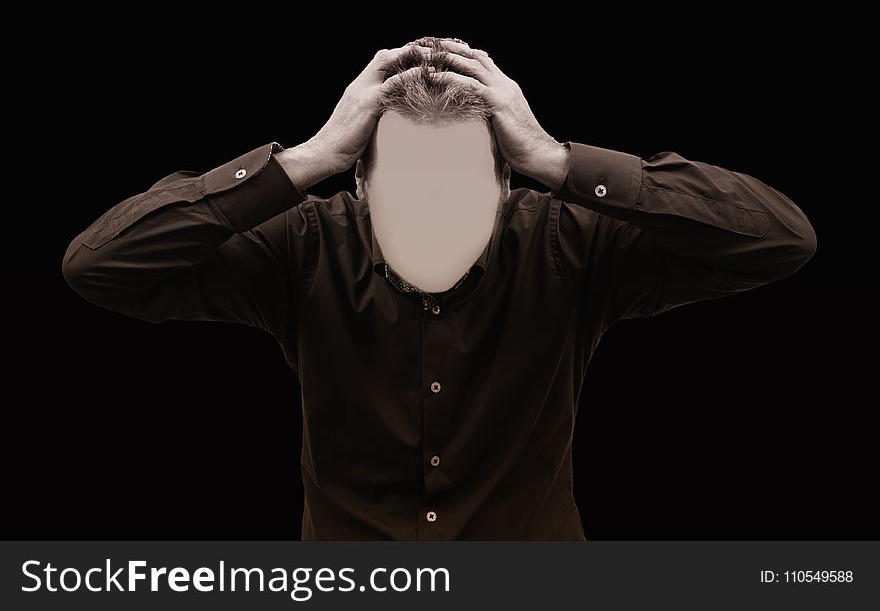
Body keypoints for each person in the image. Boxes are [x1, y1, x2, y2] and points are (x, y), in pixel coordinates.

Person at [62, 37, 817, 540]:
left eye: (459, 187)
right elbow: (101, 265)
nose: (434, 217)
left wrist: (560, 161)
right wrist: (304, 160)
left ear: (507, 183)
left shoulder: (566, 240)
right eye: (409, 189)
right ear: (355, 186)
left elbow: (779, 239)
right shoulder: (304, 245)